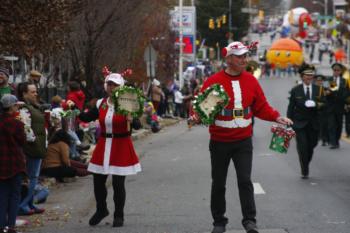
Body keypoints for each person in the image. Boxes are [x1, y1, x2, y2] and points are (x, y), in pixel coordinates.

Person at [191, 41, 292, 233]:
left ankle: (249, 220)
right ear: (228, 58)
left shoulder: (251, 81)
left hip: (243, 140)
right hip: (220, 140)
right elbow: (200, 109)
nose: (244, 59)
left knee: (245, 180)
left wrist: (277, 117)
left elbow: (261, 106)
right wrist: (197, 116)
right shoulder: (213, 81)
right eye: (239, 56)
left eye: (245, 56)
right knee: (219, 182)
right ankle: (219, 222)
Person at [78, 73, 141, 228]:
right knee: (98, 181)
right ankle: (101, 209)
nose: (112, 87)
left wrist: (133, 119)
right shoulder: (101, 103)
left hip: (121, 145)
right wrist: (71, 111)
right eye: (109, 84)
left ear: (121, 86)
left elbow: (138, 125)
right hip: (104, 144)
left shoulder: (128, 102)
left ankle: (119, 215)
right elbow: (87, 117)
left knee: (118, 184)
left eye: (115, 85)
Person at [287, 64, 325, 179]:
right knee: (302, 147)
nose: (309, 77)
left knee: (311, 145)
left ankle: (305, 162)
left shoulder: (319, 89)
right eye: (307, 75)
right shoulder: (295, 90)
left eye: (311, 75)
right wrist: (289, 123)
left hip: (314, 123)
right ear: (302, 77)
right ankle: (304, 169)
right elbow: (291, 107)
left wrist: (316, 104)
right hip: (299, 124)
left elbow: (324, 103)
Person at [17, 82, 46, 215]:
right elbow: (25, 127)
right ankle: (23, 205)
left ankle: (29, 204)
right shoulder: (24, 108)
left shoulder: (33, 106)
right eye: (32, 92)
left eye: (36, 91)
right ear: (24, 94)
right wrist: (33, 141)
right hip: (32, 147)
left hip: (38, 145)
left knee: (33, 176)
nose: (36, 94)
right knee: (31, 177)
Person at [0, 94, 26, 233]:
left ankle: (1, 225)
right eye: (16, 105)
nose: (17, 107)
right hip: (15, 163)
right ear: (11, 107)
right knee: (15, 194)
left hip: (1, 164)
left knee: (2, 194)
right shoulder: (17, 124)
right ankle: (11, 226)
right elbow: (22, 141)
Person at [325, 63, 348, 149]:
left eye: (338, 70)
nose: (336, 72)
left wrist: (345, 102)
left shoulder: (344, 81)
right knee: (331, 125)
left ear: (340, 71)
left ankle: (336, 141)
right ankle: (332, 142)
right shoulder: (328, 80)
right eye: (334, 70)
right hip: (330, 106)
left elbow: (346, 92)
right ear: (333, 71)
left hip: (340, 106)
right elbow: (324, 91)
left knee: (339, 125)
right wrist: (327, 93)